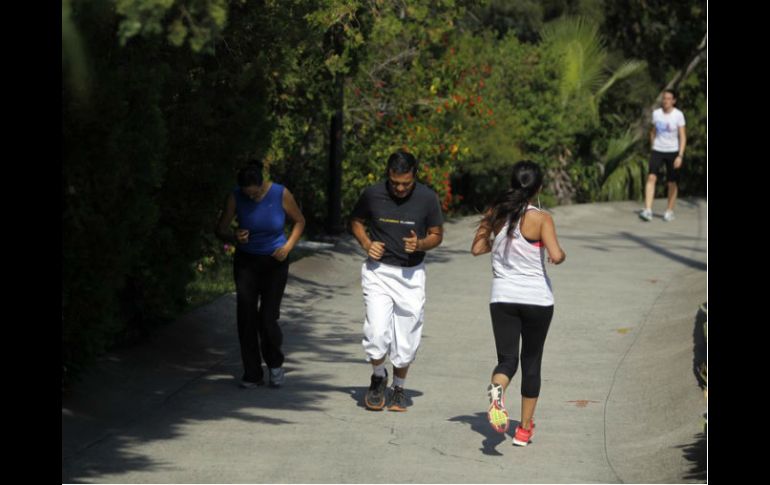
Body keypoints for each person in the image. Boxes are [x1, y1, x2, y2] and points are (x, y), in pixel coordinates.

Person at [471, 160, 565, 447]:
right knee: (531, 362)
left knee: (507, 360)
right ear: (538, 188)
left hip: (503, 298)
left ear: (513, 183)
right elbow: (557, 254)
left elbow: (477, 248)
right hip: (537, 299)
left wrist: (497, 244)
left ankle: (498, 390)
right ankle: (524, 430)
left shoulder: (494, 213)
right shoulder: (542, 218)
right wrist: (556, 255)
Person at [350, 151, 444, 412]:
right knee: (376, 332)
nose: (400, 188)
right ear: (387, 177)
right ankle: (379, 377)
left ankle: (399, 387)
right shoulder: (372, 194)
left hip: (411, 275)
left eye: (406, 183)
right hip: (378, 272)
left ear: (415, 177)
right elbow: (356, 221)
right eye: (395, 183)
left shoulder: (427, 198)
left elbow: (437, 234)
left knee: (406, 337)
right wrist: (367, 243)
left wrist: (421, 244)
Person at [215, 160, 305, 389]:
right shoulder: (235, 197)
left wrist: (288, 247)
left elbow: (299, 221)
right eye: (247, 194)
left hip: (275, 262)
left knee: (267, 318)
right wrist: (235, 235)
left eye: (254, 194)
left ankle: (275, 365)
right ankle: (252, 372)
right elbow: (221, 229)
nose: (251, 198)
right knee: (246, 316)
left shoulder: (280, 193)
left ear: (261, 184)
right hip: (246, 262)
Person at [640, 89, 687, 222]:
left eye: (668, 98)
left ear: (673, 101)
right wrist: (652, 146)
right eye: (664, 98)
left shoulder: (678, 115)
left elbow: (682, 136)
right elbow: (653, 131)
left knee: (672, 182)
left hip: (673, 151)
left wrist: (680, 155)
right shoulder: (657, 114)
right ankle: (648, 210)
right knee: (651, 177)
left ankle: (669, 211)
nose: (665, 101)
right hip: (658, 150)